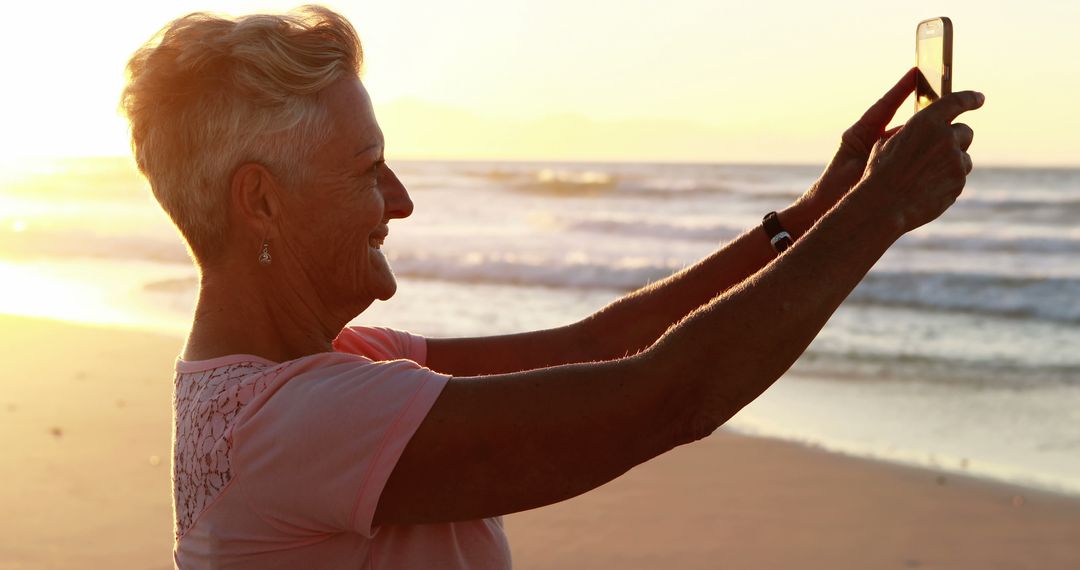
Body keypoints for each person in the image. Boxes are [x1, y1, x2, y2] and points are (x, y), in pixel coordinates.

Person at [120, 5, 983, 569]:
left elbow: (596, 344)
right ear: (260, 201)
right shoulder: (304, 422)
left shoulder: (324, 375)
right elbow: (664, 397)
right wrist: (880, 211)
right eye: (367, 170)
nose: (400, 200)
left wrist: (818, 206)